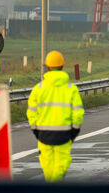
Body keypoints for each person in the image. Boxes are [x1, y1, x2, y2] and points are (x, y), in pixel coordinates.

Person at [27, 51, 84, 182]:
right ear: (62, 66)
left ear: (47, 67)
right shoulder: (71, 89)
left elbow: (31, 113)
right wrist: (74, 133)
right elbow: (78, 114)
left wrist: (36, 131)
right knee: (59, 170)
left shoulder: (38, 89)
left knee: (49, 171)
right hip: (64, 136)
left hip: (43, 135)